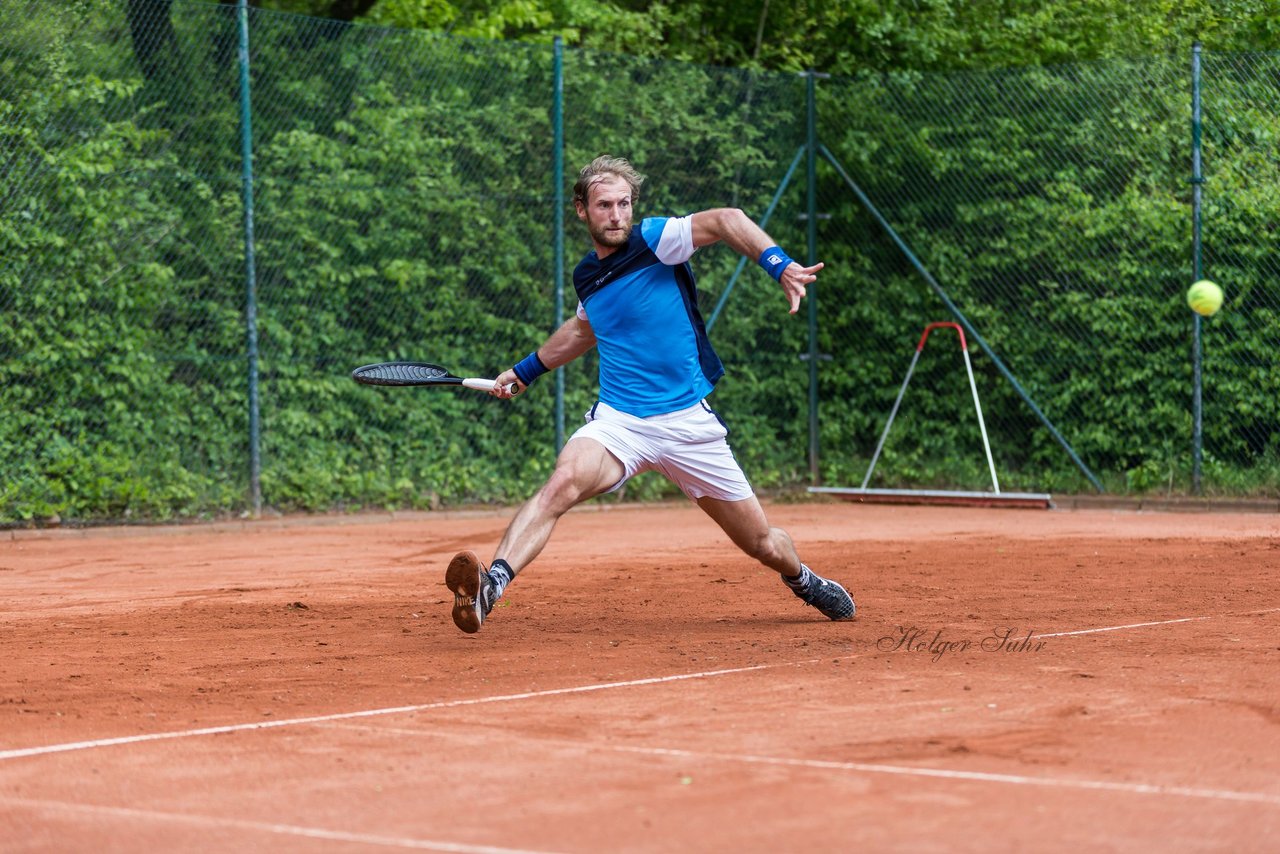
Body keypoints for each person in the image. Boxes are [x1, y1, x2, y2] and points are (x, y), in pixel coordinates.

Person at [444, 155, 855, 634]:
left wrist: (779, 265)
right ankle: (491, 587)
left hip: (688, 424)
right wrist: (523, 371)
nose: (616, 214)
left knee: (763, 543)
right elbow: (582, 332)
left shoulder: (656, 241)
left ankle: (801, 578)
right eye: (604, 205)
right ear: (582, 210)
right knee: (562, 482)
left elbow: (727, 221)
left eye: (623, 203)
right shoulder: (588, 276)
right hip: (621, 422)